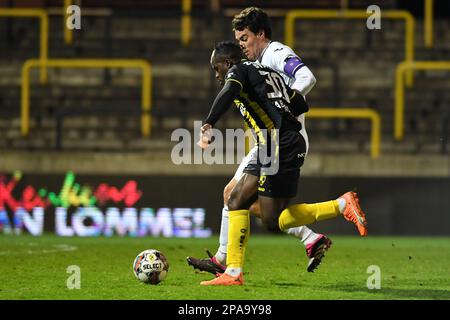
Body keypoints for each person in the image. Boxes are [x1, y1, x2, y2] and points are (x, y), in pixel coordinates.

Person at [197, 41, 367, 286]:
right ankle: (232, 272)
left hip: (279, 144)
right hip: (275, 142)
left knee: (272, 220)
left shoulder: (239, 70)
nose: (217, 75)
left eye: (217, 68)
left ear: (228, 62)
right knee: (236, 200)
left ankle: (341, 205)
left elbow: (229, 91)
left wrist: (209, 123)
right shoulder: (269, 73)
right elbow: (300, 103)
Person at [187, 7, 330, 275]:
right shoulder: (251, 65)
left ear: (261, 34)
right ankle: (307, 238)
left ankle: (227, 261)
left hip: (283, 138)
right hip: (269, 139)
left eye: (244, 38)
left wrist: (289, 104)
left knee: (264, 213)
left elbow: (306, 77)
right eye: (238, 40)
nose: (241, 46)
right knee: (236, 196)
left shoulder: (275, 53)